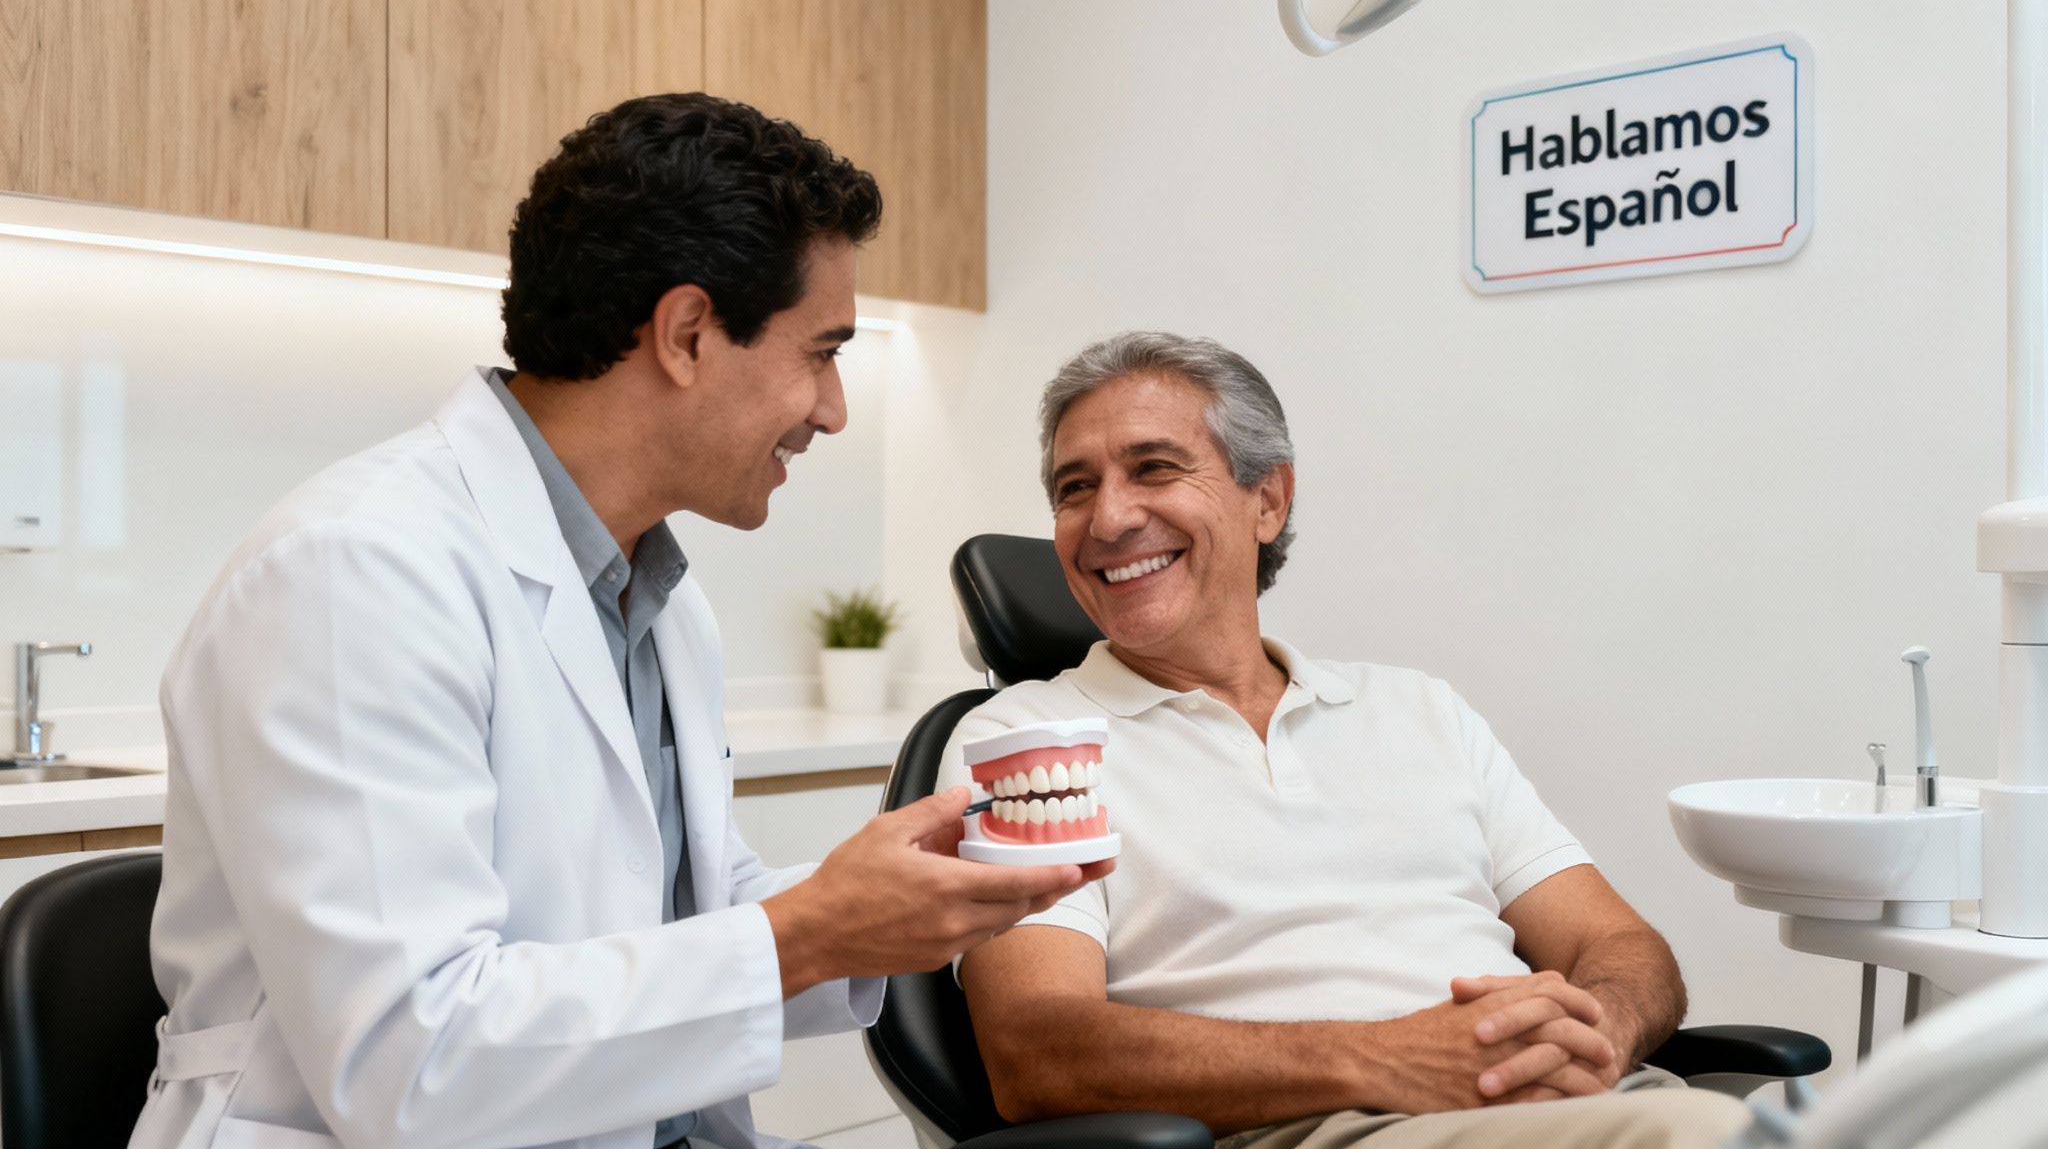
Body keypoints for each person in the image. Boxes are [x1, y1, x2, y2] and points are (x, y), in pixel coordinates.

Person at [130, 93, 1106, 1149]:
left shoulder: (655, 597)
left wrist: (905, 900)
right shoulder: (353, 573)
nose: (832, 410)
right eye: (820, 353)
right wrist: (810, 932)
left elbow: (679, 913)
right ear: (686, 334)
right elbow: (409, 1062)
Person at [937, 331, 1752, 1148]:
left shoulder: (1420, 709)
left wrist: (1598, 1033)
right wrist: (1391, 1059)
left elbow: (1616, 943)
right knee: (1713, 1134)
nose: (1109, 517)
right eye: (1075, 488)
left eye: (1153, 468)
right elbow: (1037, 1051)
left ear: (1268, 500)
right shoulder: (1026, 744)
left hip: (1584, 1104)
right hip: (1327, 1129)